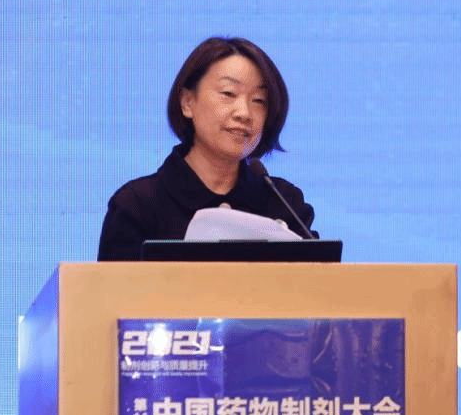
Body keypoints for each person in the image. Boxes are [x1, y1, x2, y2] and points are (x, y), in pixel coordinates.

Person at [98, 36, 317, 261]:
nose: (244, 113)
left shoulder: (285, 204)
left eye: (259, 100)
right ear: (187, 102)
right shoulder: (137, 206)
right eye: (228, 94)